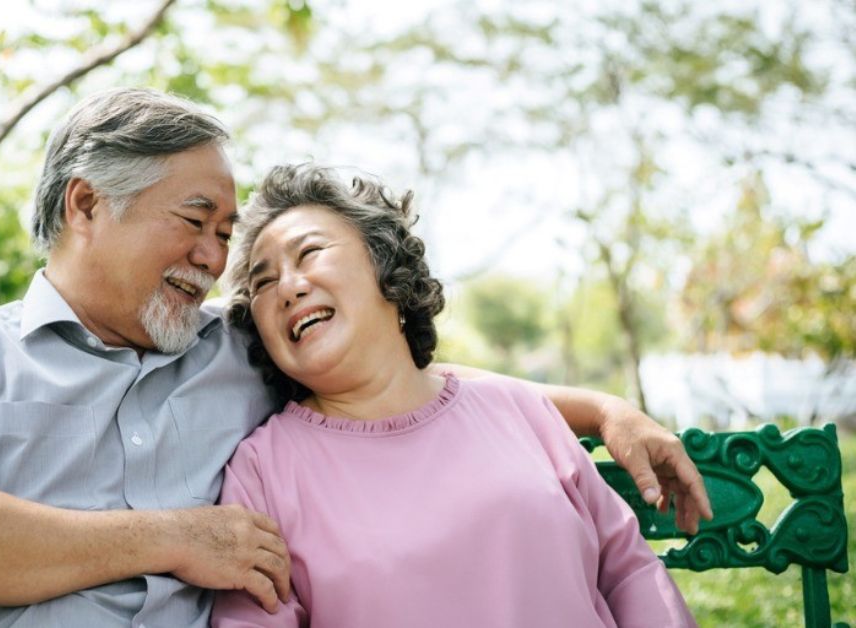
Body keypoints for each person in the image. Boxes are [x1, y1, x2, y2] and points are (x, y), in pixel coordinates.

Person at [0, 88, 710, 626]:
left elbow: (401, 380)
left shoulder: (239, 347)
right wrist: (173, 538)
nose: (217, 261)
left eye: (223, 237)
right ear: (88, 205)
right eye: (197, 222)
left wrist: (598, 409)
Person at [211, 164, 696, 627]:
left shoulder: (517, 408)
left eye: (310, 252)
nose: (288, 288)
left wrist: (609, 409)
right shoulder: (262, 471)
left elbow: (629, 570)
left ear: (386, 267)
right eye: (263, 282)